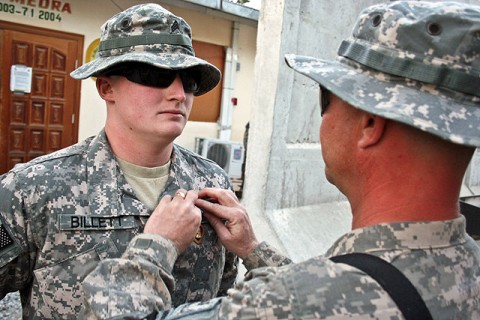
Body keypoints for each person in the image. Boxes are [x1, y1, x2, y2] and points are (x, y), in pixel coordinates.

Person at [81, 1, 480, 319]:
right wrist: (253, 248)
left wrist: (157, 246)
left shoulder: (295, 300)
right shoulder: (469, 265)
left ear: (370, 124)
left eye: (326, 98)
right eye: (152, 76)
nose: (177, 93)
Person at [0, 3, 239, 319]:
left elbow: (222, 298)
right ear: (106, 87)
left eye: (189, 80)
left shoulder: (212, 183)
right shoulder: (31, 189)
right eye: (156, 75)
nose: (179, 94)